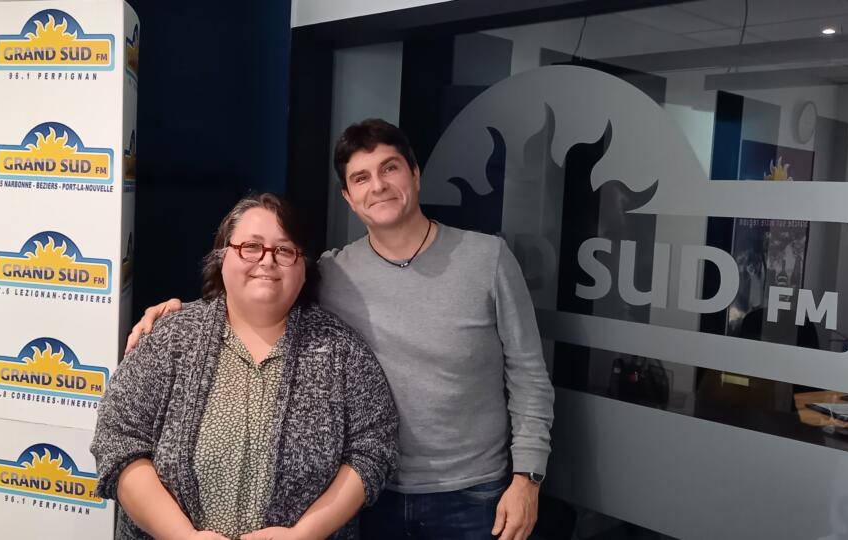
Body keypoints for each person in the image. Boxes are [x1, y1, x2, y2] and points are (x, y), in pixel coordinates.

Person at [129, 119, 555, 540]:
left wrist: (527, 479)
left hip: (473, 492)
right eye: (361, 177)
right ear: (349, 198)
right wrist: (176, 313)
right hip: (370, 497)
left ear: (415, 174)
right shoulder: (333, 273)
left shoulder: (487, 258)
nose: (379, 185)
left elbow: (529, 375)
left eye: (390, 168)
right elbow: (257, 290)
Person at [92, 193, 399, 540]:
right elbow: (118, 440)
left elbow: (374, 449)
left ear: (303, 269)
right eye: (251, 247)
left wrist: (306, 533)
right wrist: (181, 535)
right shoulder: (168, 339)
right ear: (221, 258)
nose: (267, 261)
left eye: (285, 250)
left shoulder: (343, 351)